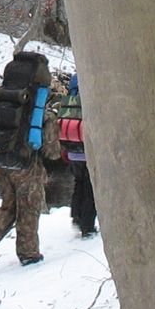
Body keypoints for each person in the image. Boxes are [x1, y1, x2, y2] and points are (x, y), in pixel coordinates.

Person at [0, 74, 63, 265]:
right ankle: (28, 254)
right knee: (28, 210)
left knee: (9, 205)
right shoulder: (44, 115)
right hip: (27, 168)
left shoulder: (6, 104)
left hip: (1, 163)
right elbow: (52, 152)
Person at [58, 72, 96, 238]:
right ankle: (88, 226)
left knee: (79, 182)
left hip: (72, 148)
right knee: (91, 186)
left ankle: (76, 217)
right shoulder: (94, 92)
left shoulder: (72, 90)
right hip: (88, 150)